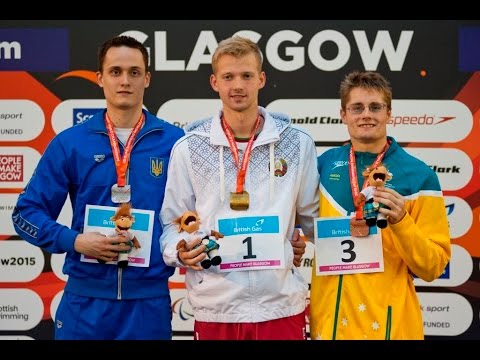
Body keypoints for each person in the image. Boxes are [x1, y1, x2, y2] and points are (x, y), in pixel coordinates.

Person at [11, 35, 184, 340]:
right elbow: (26, 213)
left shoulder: (174, 143)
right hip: (84, 304)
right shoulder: (70, 142)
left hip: (148, 305)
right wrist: (75, 241)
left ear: (147, 78)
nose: (125, 81)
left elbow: (199, 213)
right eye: (115, 72)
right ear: (100, 78)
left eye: (134, 72)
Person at [159, 35, 319, 340]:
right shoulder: (189, 147)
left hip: (280, 306)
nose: (238, 86)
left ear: (261, 79)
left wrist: (304, 237)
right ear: (214, 82)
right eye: (228, 77)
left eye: (246, 76)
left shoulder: (297, 142)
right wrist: (180, 251)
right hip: (216, 307)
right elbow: (171, 223)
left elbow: (314, 221)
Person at [309, 71, 451, 340]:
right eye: (357, 108)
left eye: (375, 107)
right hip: (329, 325)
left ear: (389, 113)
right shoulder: (323, 165)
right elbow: (297, 222)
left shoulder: (419, 175)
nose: (366, 115)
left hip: (388, 326)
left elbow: (433, 267)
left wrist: (401, 222)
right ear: (343, 114)